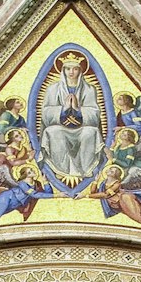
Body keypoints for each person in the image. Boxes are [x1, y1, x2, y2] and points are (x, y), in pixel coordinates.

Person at [40, 52, 104, 184]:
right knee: (53, 131)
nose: (71, 72)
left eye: (75, 69)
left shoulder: (89, 89)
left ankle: (84, 170)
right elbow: (46, 113)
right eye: (68, 69)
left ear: (80, 71)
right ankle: (60, 169)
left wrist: (77, 109)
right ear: (63, 71)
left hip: (82, 128)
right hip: (61, 127)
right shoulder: (53, 89)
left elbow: (94, 114)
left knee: (90, 132)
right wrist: (63, 109)